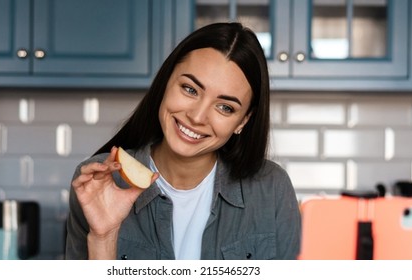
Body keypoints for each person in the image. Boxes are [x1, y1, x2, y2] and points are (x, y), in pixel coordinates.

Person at [65, 22, 301, 260]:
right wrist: (104, 237)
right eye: (190, 89)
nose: (197, 117)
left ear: (242, 121)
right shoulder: (100, 181)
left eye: (225, 107)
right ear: (166, 81)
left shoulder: (271, 188)